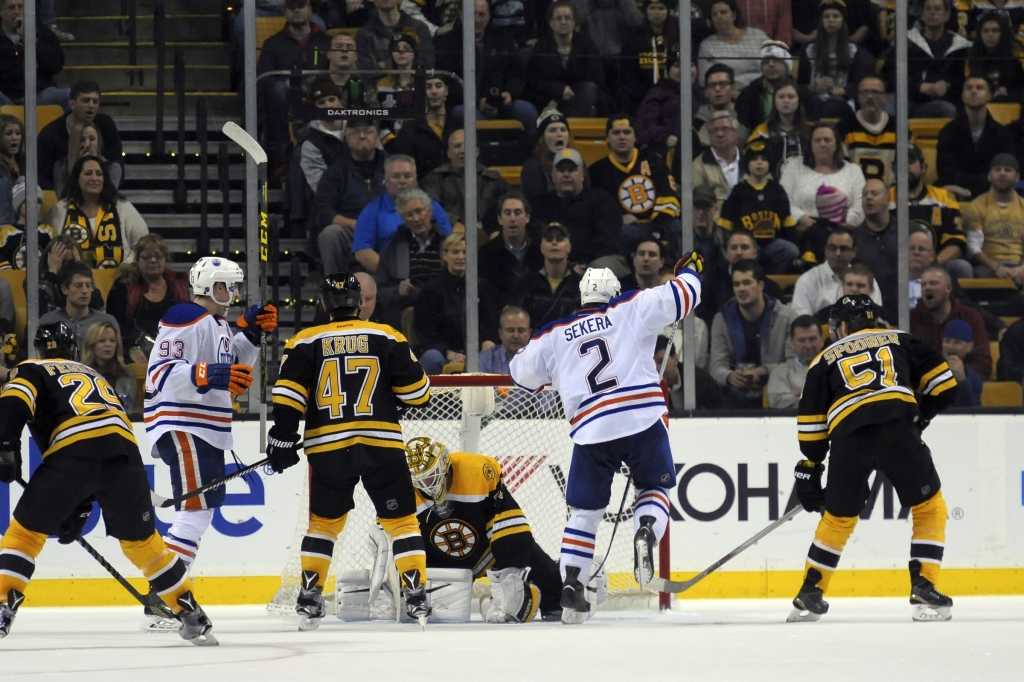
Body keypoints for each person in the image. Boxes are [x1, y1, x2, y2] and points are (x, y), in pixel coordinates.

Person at [509, 254, 704, 623]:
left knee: (584, 513)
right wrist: (689, 270)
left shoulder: (553, 334)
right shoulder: (631, 306)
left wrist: (560, 371)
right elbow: (685, 295)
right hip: (642, 418)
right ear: (613, 292)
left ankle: (571, 583)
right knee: (654, 489)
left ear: (581, 297)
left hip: (591, 428)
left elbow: (520, 374)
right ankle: (646, 529)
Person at [0, 321, 215, 644]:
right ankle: (190, 612)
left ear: (39, 350)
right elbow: (98, 446)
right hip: (126, 458)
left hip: (72, 452)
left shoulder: (31, 368)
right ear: (74, 349)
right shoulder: (94, 374)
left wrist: (6, 447)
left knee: (25, 535)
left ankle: (3, 605)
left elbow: (14, 402)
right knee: (144, 545)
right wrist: (80, 506)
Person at [268, 272, 432, 629]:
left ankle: (310, 596)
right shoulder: (387, 335)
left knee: (323, 525)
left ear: (324, 305)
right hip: (381, 444)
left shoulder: (303, 340)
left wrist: (281, 438)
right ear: (359, 302)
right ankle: (416, 594)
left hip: (328, 448)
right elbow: (418, 394)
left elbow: (287, 396)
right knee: (402, 521)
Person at [790, 294, 956, 623]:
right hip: (897, 427)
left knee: (837, 518)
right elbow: (946, 386)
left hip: (848, 437)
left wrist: (811, 467)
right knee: (929, 507)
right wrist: (918, 420)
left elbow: (811, 429)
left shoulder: (822, 361)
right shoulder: (901, 339)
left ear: (843, 326)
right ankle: (923, 585)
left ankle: (811, 592)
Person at [142, 258, 275, 629]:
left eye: (235, 287)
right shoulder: (185, 315)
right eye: (226, 287)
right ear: (207, 287)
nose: (232, 294)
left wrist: (249, 333)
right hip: (185, 423)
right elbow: (162, 372)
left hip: (203, 427)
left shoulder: (217, 324)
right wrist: (210, 373)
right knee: (195, 511)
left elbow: (229, 364)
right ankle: (164, 602)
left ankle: (165, 599)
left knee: (199, 511)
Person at [436, 0, 537, 133]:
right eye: (472, 14)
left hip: (500, 103)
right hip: (465, 104)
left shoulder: (504, 39)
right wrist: (478, 102)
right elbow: (447, 81)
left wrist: (510, 94)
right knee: (468, 115)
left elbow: (517, 74)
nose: (477, 20)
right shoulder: (447, 42)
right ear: (461, 15)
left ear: (489, 15)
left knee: (527, 111)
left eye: (482, 14)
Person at [709, 258, 799, 407]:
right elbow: (716, 365)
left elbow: (794, 364)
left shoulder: (787, 318)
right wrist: (729, 376)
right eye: (736, 284)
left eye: (747, 282)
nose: (741, 289)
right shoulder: (722, 319)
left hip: (778, 390)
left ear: (761, 285)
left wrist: (764, 371)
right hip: (735, 394)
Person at [255, 0, 333, 165]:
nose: (297, 11)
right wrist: (285, 83)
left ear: (310, 9)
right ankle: (285, 148)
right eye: (292, 7)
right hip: (288, 100)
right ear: (285, 11)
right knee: (276, 89)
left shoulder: (326, 41)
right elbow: (263, 79)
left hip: (321, 95)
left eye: (301, 6)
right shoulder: (272, 43)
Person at [588, 115, 680, 247]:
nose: (622, 137)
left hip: (659, 225)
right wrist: (618, 218)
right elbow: (597, 209)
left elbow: (668, 197)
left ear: (635, 137)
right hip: (625, 230)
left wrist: (658, 228)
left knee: (679, 228)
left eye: (627, 132)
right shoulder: (597, 171)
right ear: (607, 138)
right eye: (616, 133)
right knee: (622, 234)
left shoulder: (654, 160)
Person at [414, 234, 501, 374]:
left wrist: (488, 340)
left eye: (465, 252)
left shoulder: (483, 287)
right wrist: (448, 352)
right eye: (456, 252)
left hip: (479, 351)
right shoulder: (431, 290)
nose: (461, 257)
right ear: (445, 255)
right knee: (432, 357)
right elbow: (425, 331)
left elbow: (492, 319)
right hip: (444, 353)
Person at [350, 155, 452, 274]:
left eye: (407, 176)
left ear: (416, 180)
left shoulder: (432, 206)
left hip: (433, 272)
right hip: (391, 277)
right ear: (386, 181)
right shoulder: (371, 211)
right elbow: (362, 252)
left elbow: (448, 242)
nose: (402, 181)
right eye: (396, 176)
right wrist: (393, 274)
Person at [43, 155, 149, 269]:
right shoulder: (59, 210)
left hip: (118, 282)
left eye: (99, 174)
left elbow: (144, 243)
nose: (94, 178)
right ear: (77, 178)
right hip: (71, 283)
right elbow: (46, 248)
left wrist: (126, 267)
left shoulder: (123, 208)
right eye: (88, 173)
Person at [312, 119, 389, 273]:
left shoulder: (392, 165)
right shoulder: (336, 171)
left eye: (367, 131)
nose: (362, 136)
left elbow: (410, 198)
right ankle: (336, 291)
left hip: (387, 227)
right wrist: (355, 224)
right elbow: (323, 212)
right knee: (330, 234)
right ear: (346, 139)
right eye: (355, 132)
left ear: (376, 136)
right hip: (351, 230)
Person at [531, 148, 624, 270]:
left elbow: (608, 240)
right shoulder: (540, 204)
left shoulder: (601, 199)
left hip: (596, 260)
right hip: (554, 262)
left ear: (582, 175)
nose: (566, 175)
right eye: (561, 170)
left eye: (572, 170)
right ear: (553, 176)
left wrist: (582, 264)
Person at [105, 234, 190, 364]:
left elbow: (187, 324)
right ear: (137, 261)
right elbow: (113, 324)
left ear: (165, 259)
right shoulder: (123, 286)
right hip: (131, 352)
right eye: (146, 257)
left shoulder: (178, 285)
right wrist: (131, 348)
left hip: (173, 351)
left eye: (158, 256)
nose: (153, 260)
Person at [717, 139, 798, 273]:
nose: (759, 162)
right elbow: (725, 226)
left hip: (771, 244)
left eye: (764, 159)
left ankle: (768, 277)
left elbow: (787, 223)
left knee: (791, 250)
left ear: (769, 164)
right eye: (754, 159)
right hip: (745, 245)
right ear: (747, 164)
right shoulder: (739, 190)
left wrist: (797, 251)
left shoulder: (777, 189)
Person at [892, 145, 971, 280]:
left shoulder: (943, 197)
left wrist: (933, 265)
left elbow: (956, 243)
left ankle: (957, 301)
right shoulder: (885, 198)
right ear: (893, 168)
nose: (904, 167)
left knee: (961, 267)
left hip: (937, 264)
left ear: (924, 168)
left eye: (910, 162)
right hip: (895, 265)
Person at [881, 0, 970, 119]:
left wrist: (947, 85)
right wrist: (918, 86)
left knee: (949, 109)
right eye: (928, 9)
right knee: (889, 103)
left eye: (937, 9)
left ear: (946, 15)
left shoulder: (959, 46)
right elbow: (889, 73)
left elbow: (962, 80)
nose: (932, 13)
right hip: (906, 100)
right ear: (922, 15)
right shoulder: (906, 41)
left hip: (937, 104)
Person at [374, 188, 447, 330]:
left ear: (429, 211)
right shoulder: (392, 250)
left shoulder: (447, 245)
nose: (416, 219)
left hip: (444, 304)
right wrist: (397, 291)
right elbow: (379, 292)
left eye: (419, 211)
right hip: (410, 306)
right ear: (403, 219)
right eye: (409, 215)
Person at [935, 75, 1017, 201]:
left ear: (989, 96)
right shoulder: (948, 132)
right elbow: (946, 173)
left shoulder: (1002, 134)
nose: (974, 91)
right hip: (955, 195)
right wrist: (984, 179)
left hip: (993, 197)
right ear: (962, 95)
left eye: (980, 88)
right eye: (969, 88)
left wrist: (969, 192)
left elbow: (1003, 174)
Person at [37, 81, 123, 193]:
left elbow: (116, 160)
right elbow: (44, 179)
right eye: (86, 100)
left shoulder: (106, 124)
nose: (91, 105)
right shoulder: (50, 134)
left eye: (95, 101)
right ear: (72, 104)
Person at [421, 129, 510, 235]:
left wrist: (492, 226)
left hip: (488, 236)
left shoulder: (493, 179)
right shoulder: (435, 179)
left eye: (467, 145)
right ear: (449, 153)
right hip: (449, 238)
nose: (463, 150)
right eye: (457, 146)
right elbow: (430, 208)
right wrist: (454, 223)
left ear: (477, 152)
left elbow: (509, 205)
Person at [780, 122, 866, 232]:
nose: (822, 144)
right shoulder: (794, 166)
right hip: (802, 230)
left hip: (842, 231)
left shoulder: (853, 170)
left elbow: (860, 208)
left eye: (827, 140)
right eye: (817, 140)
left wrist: (838, 224)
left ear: (837, 145)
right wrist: (802, 218)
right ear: (810, 144)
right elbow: (783, 200)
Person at [796, 0, 873, 122]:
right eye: (826, 16)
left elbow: (862, 83)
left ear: (843, 20)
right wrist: (815, 88)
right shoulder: (808, 49)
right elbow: (798, 85)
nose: (831, 20)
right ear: (821, 21)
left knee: (836, 108)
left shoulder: (854, 50)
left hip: (842, 102)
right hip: (814, 101)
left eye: (835, 16)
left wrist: (843, 90)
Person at [525, 1, 603, 117]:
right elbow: (534, 81)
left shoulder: (587, 45)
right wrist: (559, 90)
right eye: (558, 18)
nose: (563, 22)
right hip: (547, 100)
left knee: (590, 89)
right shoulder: (541, 47)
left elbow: (595, 77)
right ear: (551, 23)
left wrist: (564, 95)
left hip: (579, 99)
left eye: (567, 17)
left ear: (574, 21)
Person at [911, 265, 992, 378]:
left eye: (933, 283)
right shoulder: (911, 318)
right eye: (923, 284)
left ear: (948, 288)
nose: (927, 288)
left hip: (965, 387)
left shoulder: (970, 317)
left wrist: (964, 377)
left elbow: (983, 363)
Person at [698, 228, 786, 324]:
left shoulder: (771, 287)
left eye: (744, 247)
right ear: (726, 253)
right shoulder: (712, 285)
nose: (739, 252)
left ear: (755, 252)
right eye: (734, 248)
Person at [387, 74, 463, 180]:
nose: (434, 91)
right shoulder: (408, 131)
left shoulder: (460, 126)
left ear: (446, 90)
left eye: (438, 85)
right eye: (428, 87)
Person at [792, 228, 883, 316]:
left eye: (843, 249)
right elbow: (803, 322)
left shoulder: (865, 279)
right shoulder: (806, 281)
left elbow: (876, 316)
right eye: (832, 248)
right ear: (825, 250)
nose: (838, 253)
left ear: (854, 252)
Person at [963, 153, 1024, 281]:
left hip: (1019, 264)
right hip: (988, 266)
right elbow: (973, 247)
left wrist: (1021, 268)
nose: (1002, 173)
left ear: (1017, 177)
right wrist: (996, 268)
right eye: (997, 169)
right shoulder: (976, 206)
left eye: (1007, 170)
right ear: (989, 175)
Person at [513, 222, 583, 329]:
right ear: (541, 248)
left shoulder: (583, 286)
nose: (554, 242)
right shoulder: (525, 283)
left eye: (559, 239)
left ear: (569, 247)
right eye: (549, 239)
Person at [0, 0, 68, 108]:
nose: (17, 12)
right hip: (6, 95)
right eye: (11, 8)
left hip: (39, 95)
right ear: (1, 12)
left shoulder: (42, 31)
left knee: (68, 95)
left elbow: (56, 65)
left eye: (20, 7)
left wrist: (30, 39)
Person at [478, 192, 544, 302]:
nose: (512, 218)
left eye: (517, 213)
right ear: (499, 219)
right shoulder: (485, 254)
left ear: (527, 217)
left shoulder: (541, 251)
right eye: (507, 213)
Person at [38, 262, 120, 350]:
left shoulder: (107, 321)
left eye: (88, 286)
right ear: (64, 289)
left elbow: (118, 359)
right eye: (78, 286)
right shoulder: (48, 321)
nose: (85, 291)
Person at [746, 76, 814, 180]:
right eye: (781, 97)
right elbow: (749, 162)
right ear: (774, 101)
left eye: (791, 97)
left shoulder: (812, 130)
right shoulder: (761, 131)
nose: (786, 101)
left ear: (799, 100)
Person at [619, 0, 681, 111]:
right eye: (652, 8)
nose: (657, 12)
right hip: (642, 98)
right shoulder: (634, 38)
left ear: (668, 12)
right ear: (645, 12)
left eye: (661, 8)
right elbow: (628, 74)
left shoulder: (679, 37)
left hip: (675, 96)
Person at [697, 0, 771, 91]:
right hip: (729, 94)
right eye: (715, 14)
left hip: (763, 89)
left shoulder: (758, 36)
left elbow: (774, 64)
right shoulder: (707, 46)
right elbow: (704, 81)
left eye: (723, 12)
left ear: (734, 15)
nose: (719, 17)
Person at [840, 76, 900, 187]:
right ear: (859, 97)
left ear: (884, 97)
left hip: (891, 197)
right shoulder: (845, 127)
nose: (870, 96)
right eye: (865, 92)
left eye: (875, 92)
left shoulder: (898, 127)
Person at [853, 178, 899, 321]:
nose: (869, 198)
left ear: (888, 199)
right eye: (865, 194)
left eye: (874, 193)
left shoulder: (908, 233)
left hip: (906, 310)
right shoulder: (853, 239)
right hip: (869, 315)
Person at [735, 40, 798, 133]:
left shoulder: (801, 93)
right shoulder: (748, 94)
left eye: (776, 60)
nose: (771, 64)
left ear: (787, 66)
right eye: (766, 62)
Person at [356, 0, 434, 73]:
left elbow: (427, 64)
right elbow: (367, 71)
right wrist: (405, 64)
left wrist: (384, 65)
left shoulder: (419, 28)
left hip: (415, 85)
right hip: (379, 86)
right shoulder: (365, 34)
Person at [52, 121, 123, 199]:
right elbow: (63, 198)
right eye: (81, 140)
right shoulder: (61, 166)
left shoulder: (112, 167)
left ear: (98, 143)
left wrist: (96, 163)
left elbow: (108, 197)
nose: (87, 144)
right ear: (74, 143)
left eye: (92, 139)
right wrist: (79, 167)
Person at [966, 11, 1024, 103]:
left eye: (995, 30)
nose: (990, 35)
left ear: (1002, 34)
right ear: (980, 34)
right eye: (986, 31)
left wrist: (1007, 92)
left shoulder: (1014, 57)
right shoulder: (971, 56)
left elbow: (1020, 86)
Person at [767, 314, 823, 409]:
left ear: (822, 340)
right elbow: (777, 402)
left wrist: (801, 393)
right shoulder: (780, 372)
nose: (808, 346)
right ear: (792, 344)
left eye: (812, 339)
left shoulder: (838, 368)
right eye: (801, 340)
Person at [654, 333, 721, 410]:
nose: (656, 368)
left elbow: (719, 415)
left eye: (661, 361)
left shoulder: (700, 380)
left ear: (675, 359)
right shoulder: (646, 384)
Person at [519, 109, 573, 204]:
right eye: (552, 130)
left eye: (563, 129)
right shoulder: (532, 168)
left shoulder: (578, 163)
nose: (559, 134)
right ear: (542, 138)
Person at [82, 320, 137, 410]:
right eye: (102, 341)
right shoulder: (81, 375)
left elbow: (130, 410)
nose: (108, 345)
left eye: (112, 340)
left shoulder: (126, 376)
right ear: (91, 344)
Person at [692, 110, 743, 205]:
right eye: (715, 130)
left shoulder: (750, 160)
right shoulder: (699, 165)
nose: (720, 134)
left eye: (725, 129)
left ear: (736, 133)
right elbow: (697, 204)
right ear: (709, 135)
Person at [695, 64, 750, 145]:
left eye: (723, 84)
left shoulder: (744, 120)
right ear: (706, 92)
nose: (717, 89)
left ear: (733, 89)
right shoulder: (696, 124)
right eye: (712, 85)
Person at [479, 306, 531, 374]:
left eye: (521, 330)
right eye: (510, 330)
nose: (516, 336)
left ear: (529, 333)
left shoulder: (542, 360)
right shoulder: (486, 360)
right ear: (501, 333)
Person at [942, 319, 983, 405]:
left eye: (957, 342)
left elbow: (972, 413)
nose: (950, 346)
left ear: (969, 347)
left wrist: (962, 381)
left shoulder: (974, 379)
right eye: (947, 341)